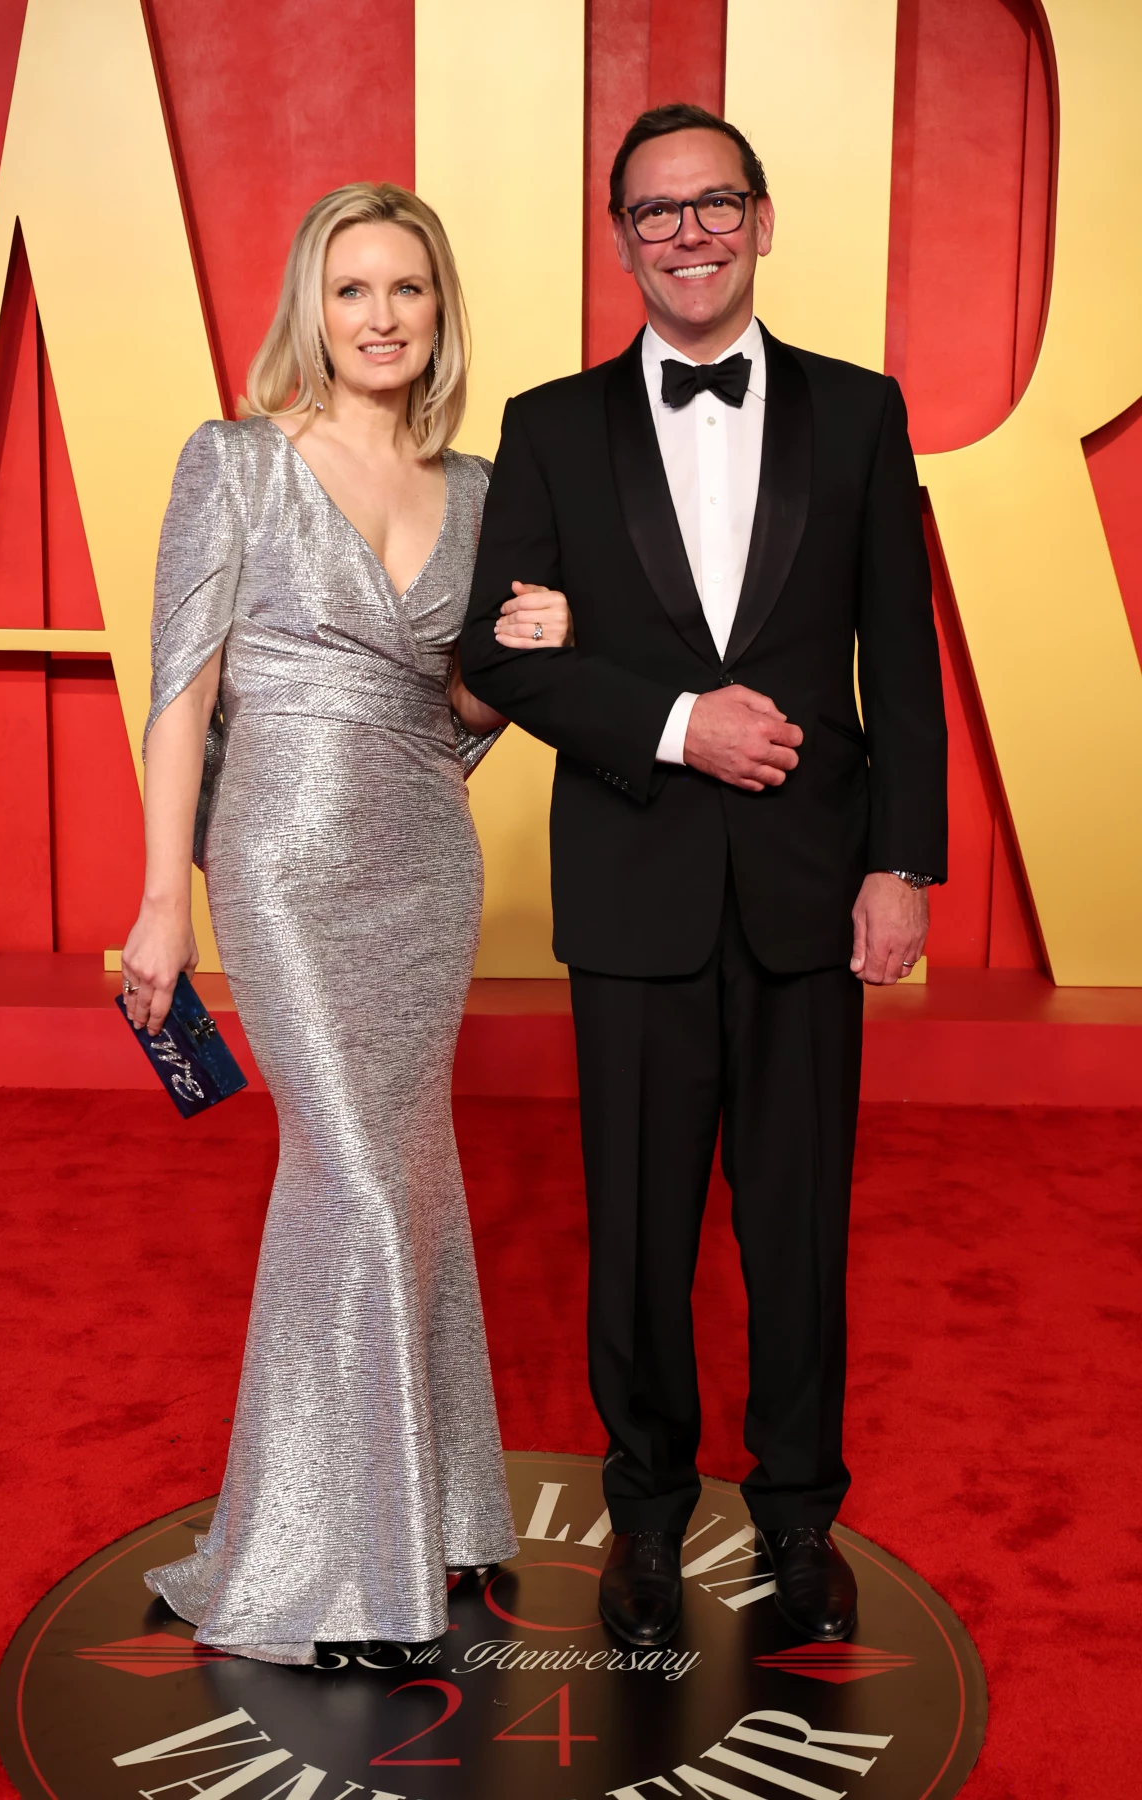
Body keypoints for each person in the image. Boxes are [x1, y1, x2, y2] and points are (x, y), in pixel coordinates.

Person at [460, 103, 947, 1648]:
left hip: (816, 888)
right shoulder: (547, 427)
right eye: (657, 212)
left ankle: (800, 1517)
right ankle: (651, 1519)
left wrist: (904, 864)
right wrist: (676, 721)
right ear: (621, 240)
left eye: (713, 203)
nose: (688, 232)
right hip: (637, 887)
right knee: (642, 1231)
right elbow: (500, 656)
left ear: (761, 218)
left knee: (798, 1226)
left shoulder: (864, 414)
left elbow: (903, 664)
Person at [120, 182, 570, 1663]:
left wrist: (526, 658)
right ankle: (342, 1575)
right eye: (354, 287)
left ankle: (416, 1520)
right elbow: (182, 692)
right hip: (288, 865)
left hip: (423, 864)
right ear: (312, 304)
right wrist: (159, 901)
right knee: (364, 1188)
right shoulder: (237, 462)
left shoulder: (489, 489)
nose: (381, 317)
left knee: (399, 1184)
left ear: (440, 313)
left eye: (409, 291)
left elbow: (454, 717)